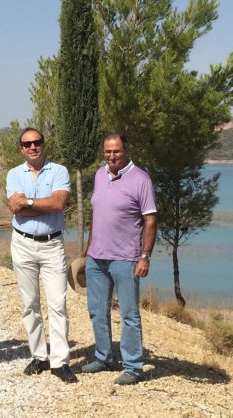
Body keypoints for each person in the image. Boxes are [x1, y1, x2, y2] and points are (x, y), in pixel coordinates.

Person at [81, 133, 157, 385]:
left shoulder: (140, 179)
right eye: (107, 152)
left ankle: (134, 367)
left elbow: (150, 220)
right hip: (96, 258)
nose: (112, 156)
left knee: (129, 315)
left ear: (126, 150)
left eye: (116, 151)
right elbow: (96, 213)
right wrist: (89, 246)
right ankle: (104, 357)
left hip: (125, 259)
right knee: (97, 311)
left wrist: (145, 256)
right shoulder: (100, 175)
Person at [6, 127, 77, 383]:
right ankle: (39, 356)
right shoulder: (14, 174)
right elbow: (15, 209)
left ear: (43, 145)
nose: (33, 147)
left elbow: (59, 203)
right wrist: (39, 205)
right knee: (29, 304)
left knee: (58, 304)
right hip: (23, 244)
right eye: (27, 144)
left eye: (37, 142)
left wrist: (30, 202)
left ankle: (60, 362)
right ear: (21, 149)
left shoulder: (59, 171)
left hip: (52, 245)